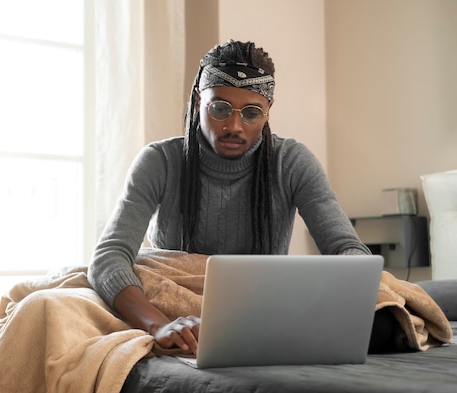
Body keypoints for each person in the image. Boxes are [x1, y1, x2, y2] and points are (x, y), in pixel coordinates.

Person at [87, 39, 385, 356]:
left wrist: (344, 284)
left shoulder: (292, 162)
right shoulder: (159, 160)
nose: (234, 126)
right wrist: (158, 325)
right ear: (199, 100)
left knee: (393, 297)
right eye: (219, 108)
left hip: (257, 308)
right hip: (168, 305)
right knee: (52, 304)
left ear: (269, 111)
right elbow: (110, 255)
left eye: (251, 113)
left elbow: (347, 248)